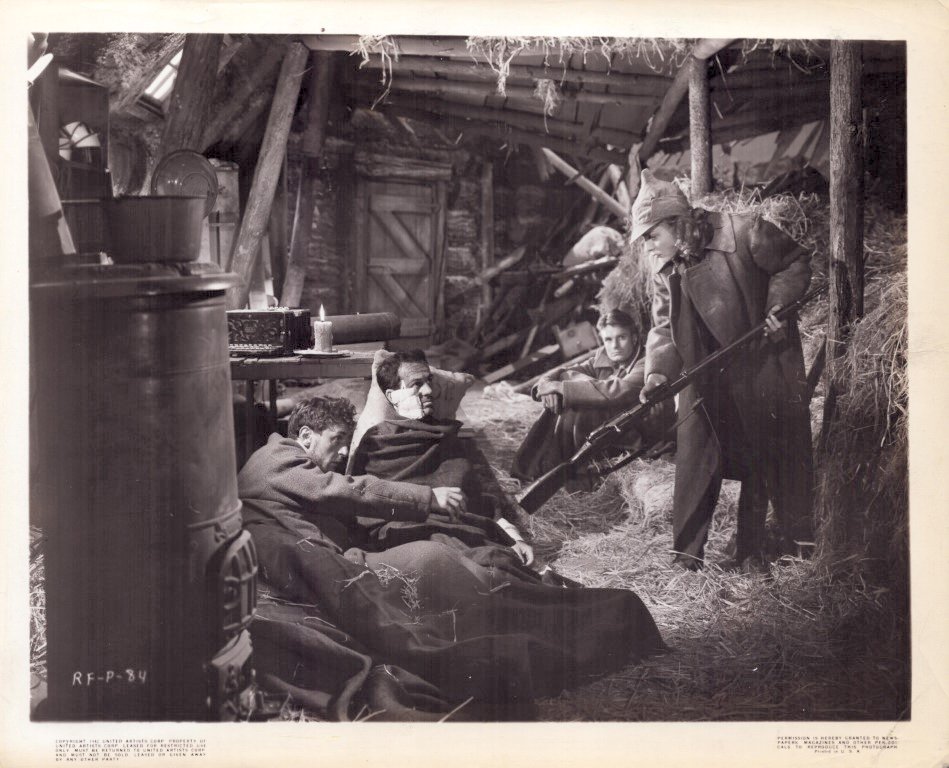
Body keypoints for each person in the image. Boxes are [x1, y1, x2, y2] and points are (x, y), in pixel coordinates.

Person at [239, 395, 666, 720]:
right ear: (306, 436)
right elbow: (349, 490)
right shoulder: (279, 459)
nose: (339, 454)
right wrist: (428, 498)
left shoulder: (283, 464)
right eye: (335, 441)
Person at [630, 169, 814, 571]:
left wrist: (777, 305)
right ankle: (686, 558)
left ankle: (762, 551)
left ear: (676, 224)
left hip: (759, 358)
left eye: (651, 235)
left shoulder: (745, 232)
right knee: (694, 453)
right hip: (705, 367)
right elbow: (663, 328)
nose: (648, 246)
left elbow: (795, 262)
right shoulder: (666, 266)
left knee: (765, 452)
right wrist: (657, 373)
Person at [351, 349, 535, 565]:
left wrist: (514, 538)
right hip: (407, 534)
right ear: (392, 396)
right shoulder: (377, 442)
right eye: (416, 384)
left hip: (460, 529)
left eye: (429, 381)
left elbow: (483, 498)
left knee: (497, 562)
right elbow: (366, 503)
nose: (428, 390)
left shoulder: (448, 436)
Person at [510, 309, 673, 485]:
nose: (615, 346)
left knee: (576, 407)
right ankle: (530, 472)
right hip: (606, 429)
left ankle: (568, 479)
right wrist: (547, 386)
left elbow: (616, 392)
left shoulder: (647, 361)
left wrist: (560, 386)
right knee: (560, 401)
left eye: (621, 337)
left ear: (634, 338)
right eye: (608, 339)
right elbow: (564, 372)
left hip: (636, 433)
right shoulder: (603, 358)